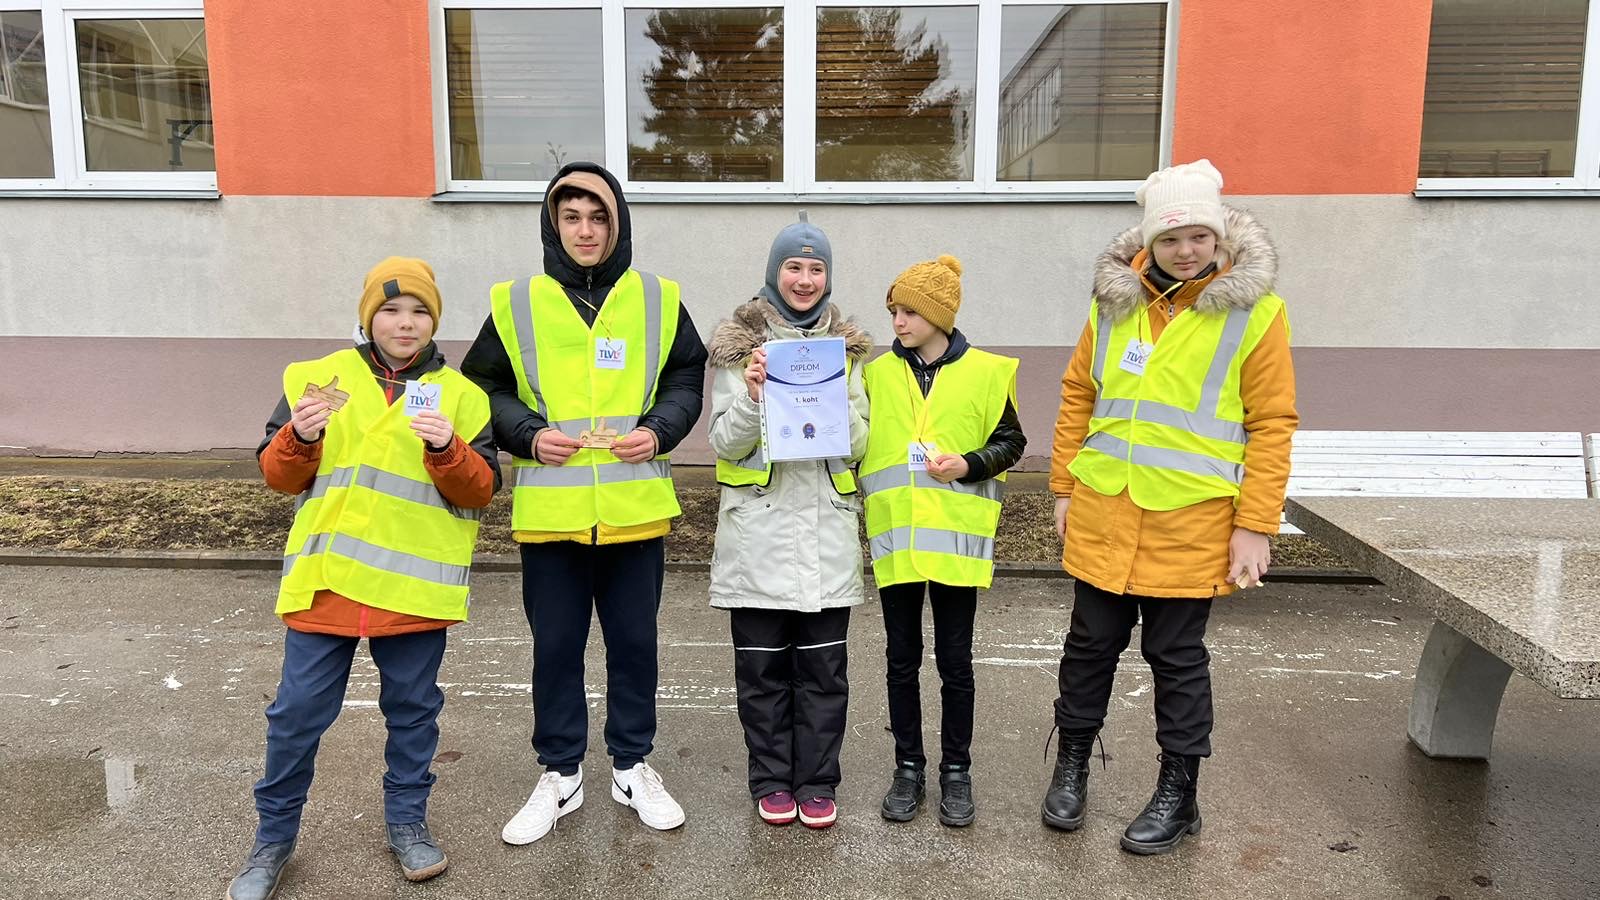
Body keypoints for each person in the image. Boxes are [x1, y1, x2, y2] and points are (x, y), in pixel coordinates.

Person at [1042, 160, 1297, 854]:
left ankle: (1179, 795)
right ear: (1149, 241)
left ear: (1220, 237)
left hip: (1191, 521)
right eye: (1171, 237)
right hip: (1104, 510)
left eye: (1199, 236)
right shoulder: (1112, 305)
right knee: (1088, 648)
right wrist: (1063, 488)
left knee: (1175, 657)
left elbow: (1272, 422)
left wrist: (1256, 526)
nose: (1186, 250)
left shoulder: (1256, 314)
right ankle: (1071, 767)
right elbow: (1078, 395)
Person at [227, 257, 499, 899]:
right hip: (329, 582)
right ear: (368, 317)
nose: (405, 323)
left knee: (413, 713)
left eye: (419, 312)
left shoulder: (463, 396)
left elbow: (482, 490)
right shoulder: (317, 379)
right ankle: (272, 840)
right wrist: (298, 437)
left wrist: (447, 449)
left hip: (413, 589)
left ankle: (407, 823)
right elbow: (278, 476)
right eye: (390, 310)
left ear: (435, 321)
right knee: (296, 715)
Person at [461, 162, 708, 846]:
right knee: (556, 649)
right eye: (571, 217)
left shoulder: (657, 297)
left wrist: (659, 431)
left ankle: (631, 766)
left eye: (599, 217)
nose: (586, 230)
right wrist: (526, 434)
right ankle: (561, 773)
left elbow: (686, 374)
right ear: (553, 226)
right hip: (553, 516)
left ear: (618, 223)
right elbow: (484, 385)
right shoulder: (516, 301)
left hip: (634, 509)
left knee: (635, 647)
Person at [705, 215, 871, 829]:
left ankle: (818, 782)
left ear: (828, 276)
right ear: (774, 272)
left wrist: (829, 399)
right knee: (763, 674)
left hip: (825, 534)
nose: (805, 279)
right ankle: (773, 780)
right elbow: (723, 442)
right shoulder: (739, 352)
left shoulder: (848, 353)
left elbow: (861, 443)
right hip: (758, 537)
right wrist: (754, 397)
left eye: (816, 268)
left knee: (824, 674)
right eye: (794, 267)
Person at [859, 255, 1026, 827]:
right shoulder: (876, 374)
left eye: (909, 312)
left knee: (956, 664)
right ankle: (908, 767)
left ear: (940, 315)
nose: (898, 322)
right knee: (900, 660)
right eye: (893, 311)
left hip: (957, 542)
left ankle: (957, 771)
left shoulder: (987, 372)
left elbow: (1012, 442)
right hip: (898, 540)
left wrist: (970, 464)